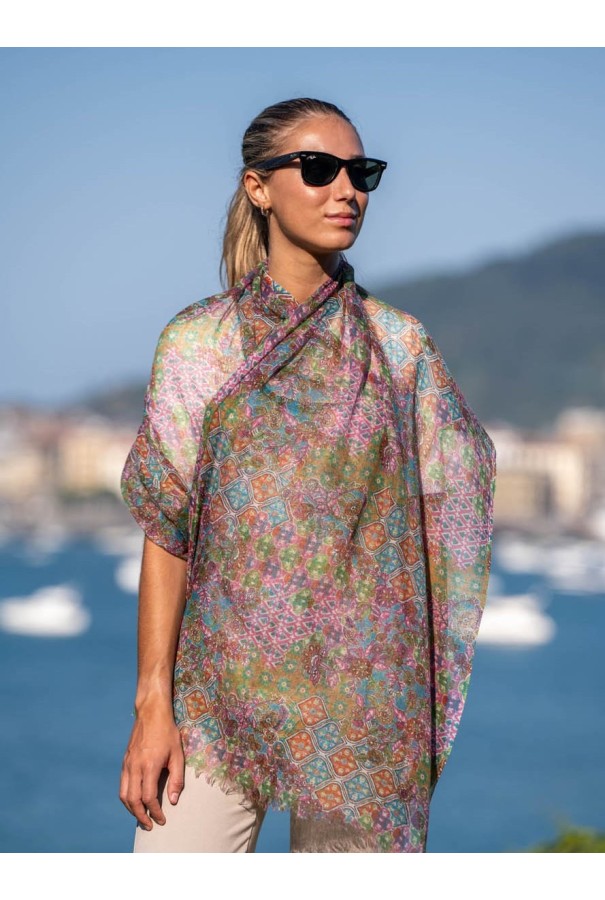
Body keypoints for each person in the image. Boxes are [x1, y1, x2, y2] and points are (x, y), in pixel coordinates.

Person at [118, 96, 497, 853]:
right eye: (319, 169)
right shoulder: (201, 342)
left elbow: (453, 503)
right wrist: (152, 706)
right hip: (216, 701)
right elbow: (168, 528)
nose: (346, 189)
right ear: (258, 187)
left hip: (364, 705)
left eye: (361, 172)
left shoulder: (400, 348)